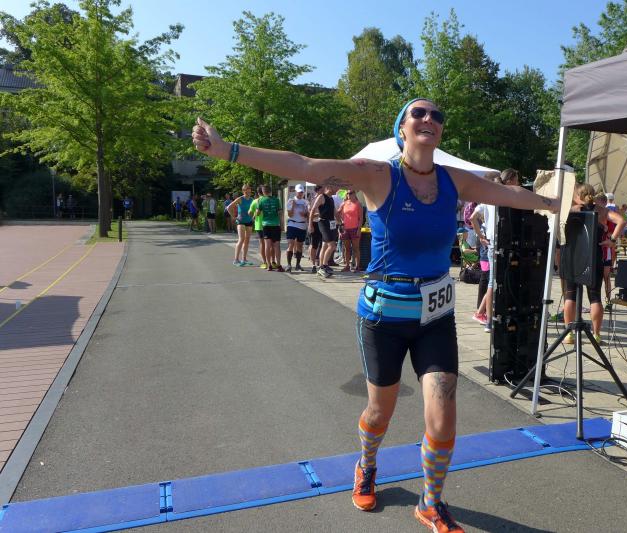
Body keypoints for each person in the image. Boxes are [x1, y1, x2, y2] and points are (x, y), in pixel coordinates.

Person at [192, 98, 559, 532]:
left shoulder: (454, 180)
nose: (429, 119)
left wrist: (555, 203)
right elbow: (304, 164)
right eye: (418, 113)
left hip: (435, 318)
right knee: (379, 413)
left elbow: (511, 195)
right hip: (384, 317)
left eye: (437, 115)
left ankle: (431, 502)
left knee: (443, 414)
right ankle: (366, 465)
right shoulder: (378, 175)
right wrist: (228, 150)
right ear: (402, 128)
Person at [563, 185, 625, 345]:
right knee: (595, 297)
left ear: (578, 195)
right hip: (594, 257)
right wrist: (612, 241)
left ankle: (569, 334)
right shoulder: (602, 211)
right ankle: (596, 335)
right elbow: (621, 221)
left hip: (574, 256)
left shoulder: (571, 210)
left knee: (570, 295)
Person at [471, 169, 521, 334]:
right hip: (503, 242)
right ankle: (492, 320)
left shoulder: (487, 199)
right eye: (516, 180)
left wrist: (481, 236)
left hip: (492, 242)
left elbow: (472, 218)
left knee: (493, 281)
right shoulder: (505, 197)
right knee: (499, 281)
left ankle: (490, 320)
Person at [309, 185, 338, 278]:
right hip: (323, 223)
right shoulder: (321, 197)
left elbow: (335, 213)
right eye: (336, 187)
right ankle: (324, 266)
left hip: (331, 223)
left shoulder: (331, 199)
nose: (337, 189)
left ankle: (321, 267)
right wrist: (310, 225)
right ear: (330, 187)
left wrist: (341, 223)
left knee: (325, 245)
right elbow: (312, 210)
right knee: (332, 245)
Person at [256, 184, 284, 271]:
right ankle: (278, 265)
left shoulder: (261, 200)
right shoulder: (277, 200)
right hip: (275, 225)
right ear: (270, 191)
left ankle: (269, 265)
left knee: (267, 246)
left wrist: (258, 206)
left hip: (266, 225)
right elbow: (280, 213)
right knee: (277, 245)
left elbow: (257, 213)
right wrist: (282, 225)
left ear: (263, 192)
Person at [227, 184, 255, 266]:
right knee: (241, 239)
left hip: (249, 221)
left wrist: (253, 217)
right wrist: (233, 217)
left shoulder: (252, 199)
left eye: (249, 190)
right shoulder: (240, 199)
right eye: (246, 191)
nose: (248, 192)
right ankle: (236, 260)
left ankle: (244, 259)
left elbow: (254, 210)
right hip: (241, 221)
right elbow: (229, 208)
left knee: (247, 240)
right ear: (243, 191)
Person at [338, 190, 364, 272]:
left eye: (350, 193)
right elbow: (337, 213)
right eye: (347, 193)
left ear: (354, 194)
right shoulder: (344, 203)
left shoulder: (358, 204)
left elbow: (361, 218)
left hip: (355, 228)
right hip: (345, 229)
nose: (349, 195)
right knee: (347, 248)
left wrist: (359, 229)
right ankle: (347, 266)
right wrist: (341, 222)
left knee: (356, 248)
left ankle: (357, 266)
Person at [285, 184, 309, 272]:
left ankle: (298, 265)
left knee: (300, 246)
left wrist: (305, 214)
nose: (300, 193)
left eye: (301, 192)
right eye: (299, 192)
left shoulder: (305, 202)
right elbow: (290, 214)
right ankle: (289, 264)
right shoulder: (291, 201)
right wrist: (293, 206)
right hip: (292, 224)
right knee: (290, 244)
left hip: (302, 226)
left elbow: (308, 215)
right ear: (295, 192)